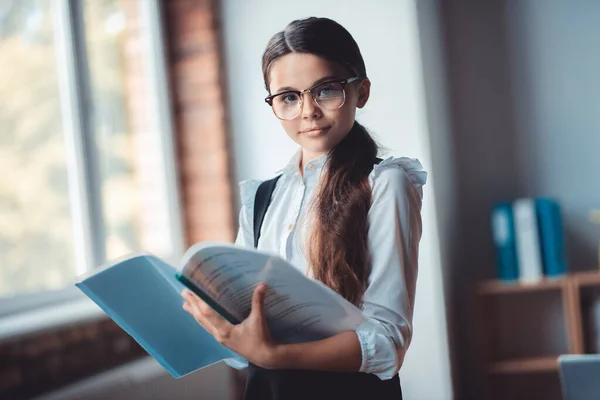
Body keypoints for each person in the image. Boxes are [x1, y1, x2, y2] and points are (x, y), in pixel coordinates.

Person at [181, 16, 427, 400]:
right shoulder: (260, 198)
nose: (308, 111)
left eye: (325, 90)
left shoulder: (385, 184)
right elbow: (244, 324)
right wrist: (222, 327)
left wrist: (274, 354)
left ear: (360, 92)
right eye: (290, 97)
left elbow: (387, 343)